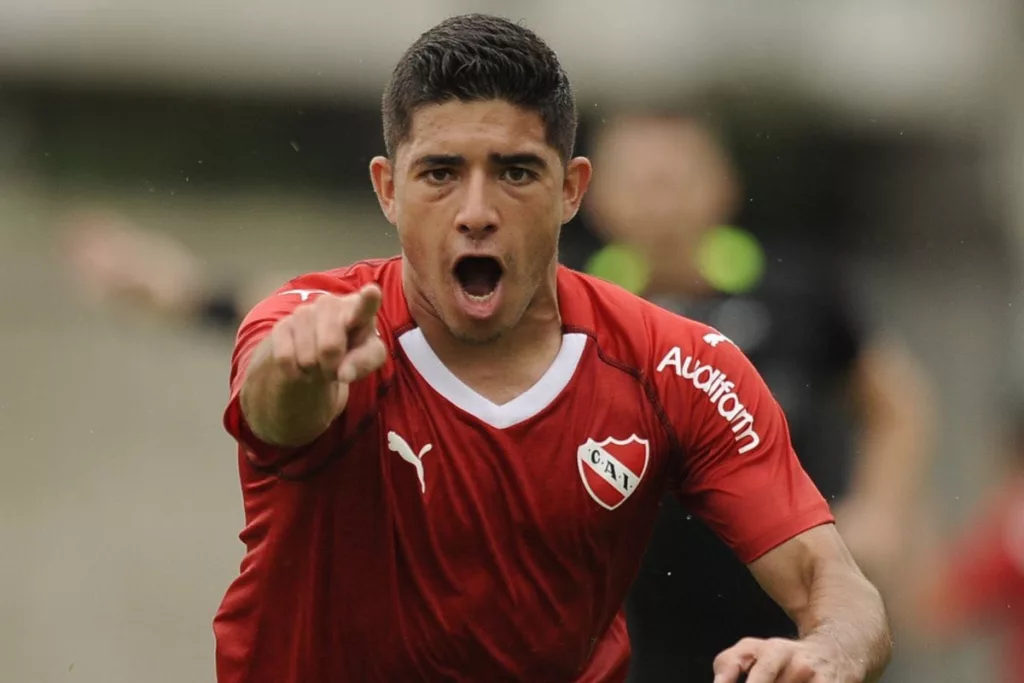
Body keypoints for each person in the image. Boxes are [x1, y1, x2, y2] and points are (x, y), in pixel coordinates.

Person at [211, 14, 891, 683]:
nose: (476, 210)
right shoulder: (319, 330)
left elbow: (836, 586)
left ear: (571, 191)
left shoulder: (676, 365)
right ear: (388, 190)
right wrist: (296, 370)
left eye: (515, 172)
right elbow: (276, 411)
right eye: (441, 173)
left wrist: (828, 650)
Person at [561, 114, 933, 681]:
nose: (659, 205)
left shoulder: (797, 289)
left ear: (723, 187)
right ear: (590, 195)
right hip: (632, 616)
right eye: (639, 184)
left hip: (783, 607)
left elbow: (896, 403)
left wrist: (881, 510)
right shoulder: (567, 305)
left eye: (675, 181)